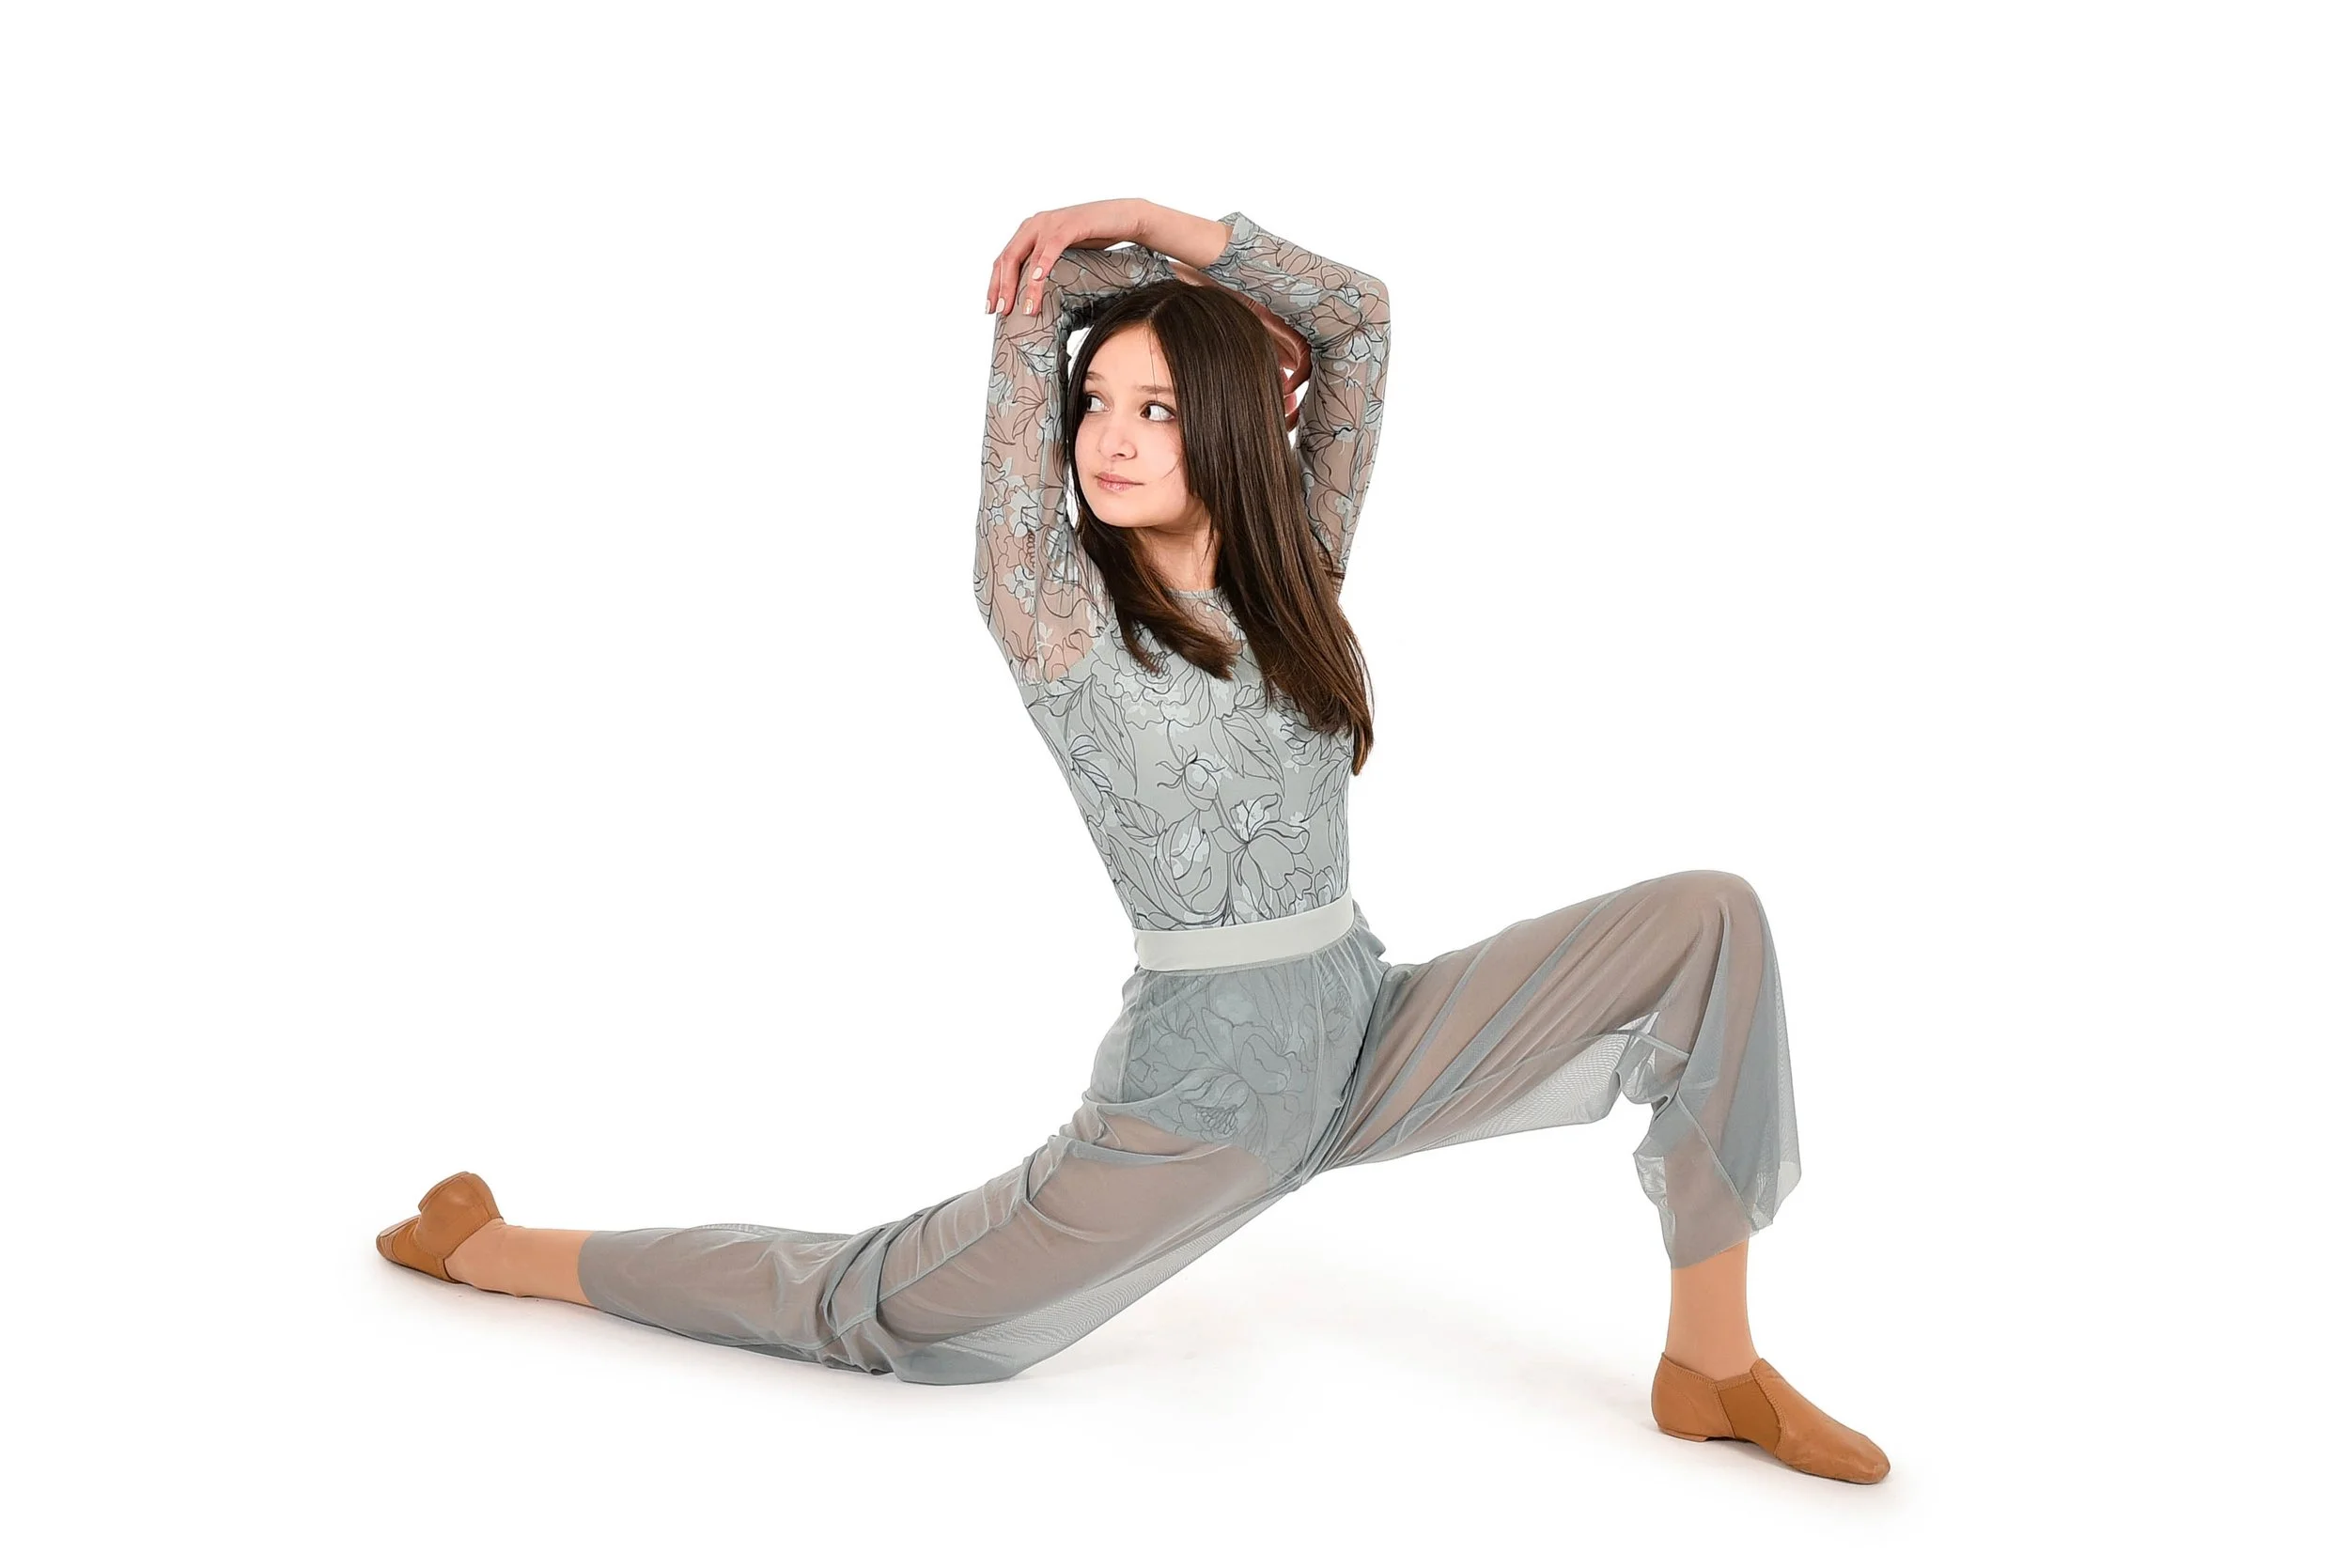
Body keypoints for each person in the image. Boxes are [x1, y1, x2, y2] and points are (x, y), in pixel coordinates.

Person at [376, 199, 1889, 1484]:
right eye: (1097, 403)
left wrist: (1181, 237)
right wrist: (1118, 269)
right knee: (867, 1304)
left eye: (1158, 407)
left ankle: (1711, 1367)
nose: (1108, 436)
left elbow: (1359, 320)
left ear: (1227, 418)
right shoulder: (1056, 620)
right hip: (1194, 1109)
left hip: (1364, 1030)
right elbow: (1033, 317)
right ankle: (504, 1250)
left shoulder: (1296, 566)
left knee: (1710, 921)